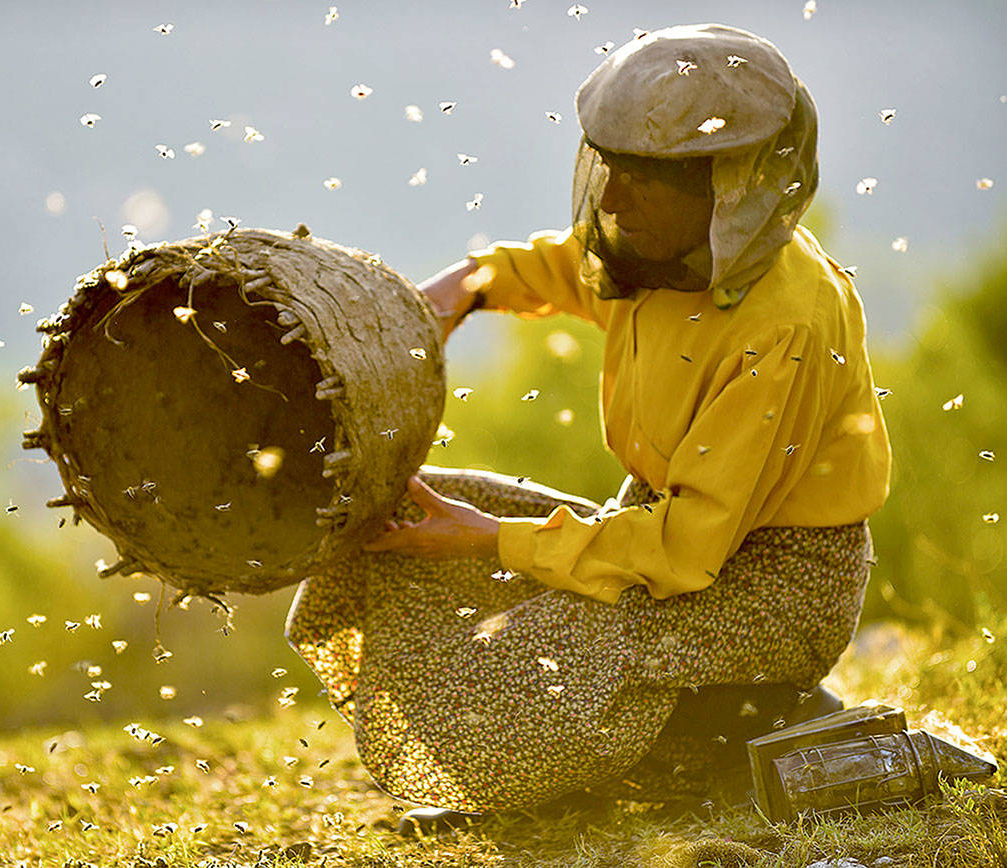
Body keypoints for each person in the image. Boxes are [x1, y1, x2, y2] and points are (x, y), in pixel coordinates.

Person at [285, 23, 891, 828]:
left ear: (731, 181)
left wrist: (484, 541)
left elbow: (683, 549)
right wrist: (464, 288)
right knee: (407, 519)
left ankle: (745, 722)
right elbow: (566, 267)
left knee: (535, 653)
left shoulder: (785, 326)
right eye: (612, 167)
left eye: (644, 178)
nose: (610, 199)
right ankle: (688, 732)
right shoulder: (663, 250)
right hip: (660, 535)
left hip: (774, 587)